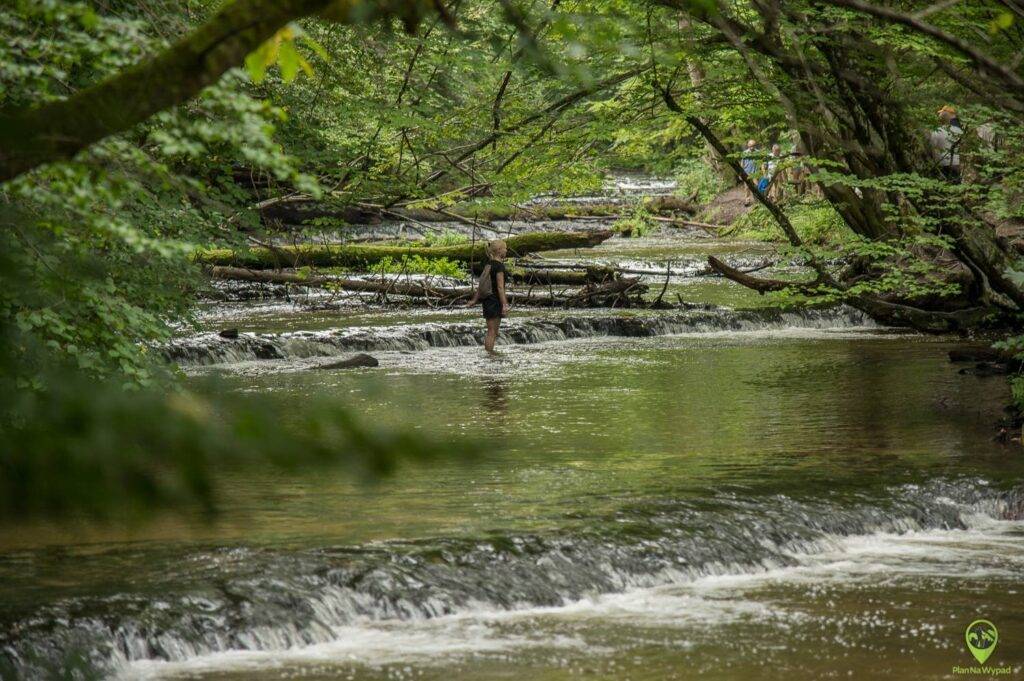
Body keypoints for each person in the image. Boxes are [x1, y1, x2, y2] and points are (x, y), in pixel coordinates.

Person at [465, 239, 509, 354]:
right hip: (495, 301)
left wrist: (474, 300)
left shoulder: (488, 265)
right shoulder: (499, 267)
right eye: (505, 248)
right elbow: (500, 287)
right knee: (492, 332)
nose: (506, 250)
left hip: (487, 300)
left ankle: (490, 354)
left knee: (493, 331)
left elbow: (481, 284)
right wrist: (505, 304)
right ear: (499, 250)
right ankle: (489, 355)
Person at [929, 105, 964, 183]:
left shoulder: (937, 131)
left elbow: (932, 147)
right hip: (956, 164)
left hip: (942, 164)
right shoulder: (960, 131)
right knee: (956, 184)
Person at [741, 139, 758, 206]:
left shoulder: (758, 152)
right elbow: (742, 164)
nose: (752, 147)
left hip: (755, 173)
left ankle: (757, 200)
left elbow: (761, 163)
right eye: (750, 145)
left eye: (753, 145)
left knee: (756, 187)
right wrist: (741, 174)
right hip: (746, 173)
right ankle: (747, 200)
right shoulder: (744, 153)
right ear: (748, 145)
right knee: (747, 187)